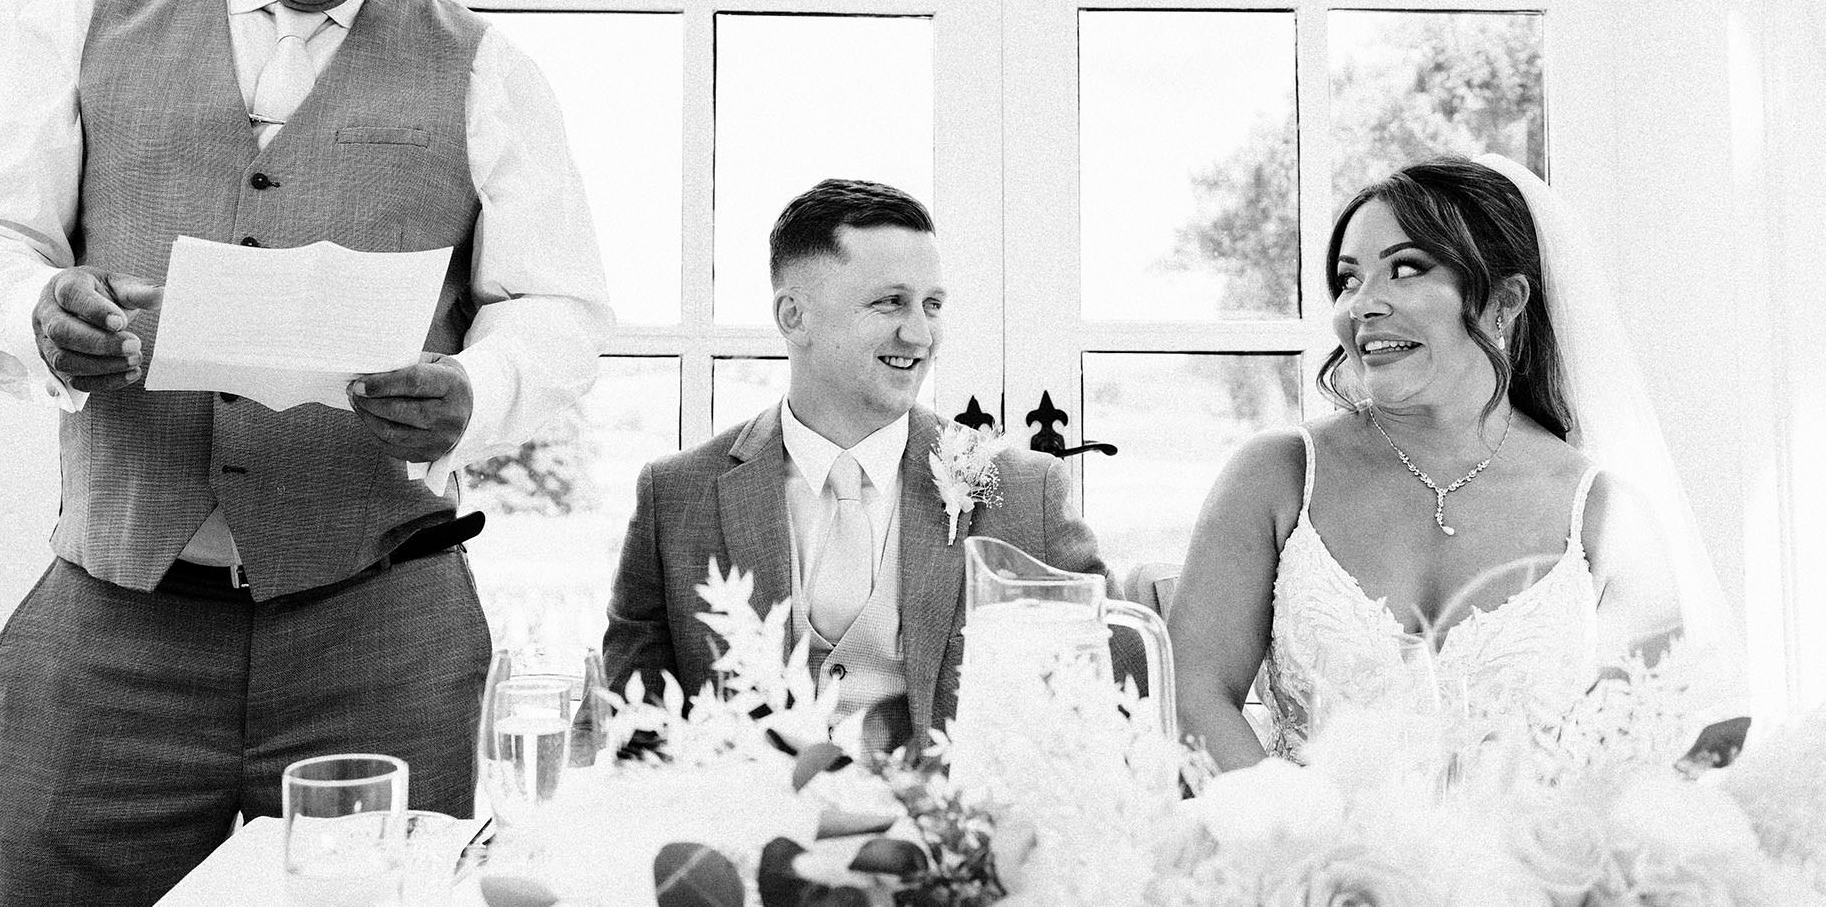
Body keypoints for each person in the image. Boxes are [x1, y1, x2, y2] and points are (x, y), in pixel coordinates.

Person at [0, 0, 610, 904]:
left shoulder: (488, 69)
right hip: (111, 635)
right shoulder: (80, 25)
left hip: (383, 636)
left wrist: (476, 390)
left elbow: (561, 306)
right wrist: (35, 307)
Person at [1169, 155, 1728, 770]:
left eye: (1405, 269)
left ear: (1504, 300)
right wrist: (1292, 824)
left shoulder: (1607, 519)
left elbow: (1635, 760)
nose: (1362, 305)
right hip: (1293, 832)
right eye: (1349, 280)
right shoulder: (1276, 476)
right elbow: (1195, 696)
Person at [603, 179, 1109, 742]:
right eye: (890, 302)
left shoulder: (1025, 491)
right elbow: (625, 728)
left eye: (933, 305)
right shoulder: (675, 497)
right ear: (795, 317)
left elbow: (1112, 706)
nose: (920, 334)